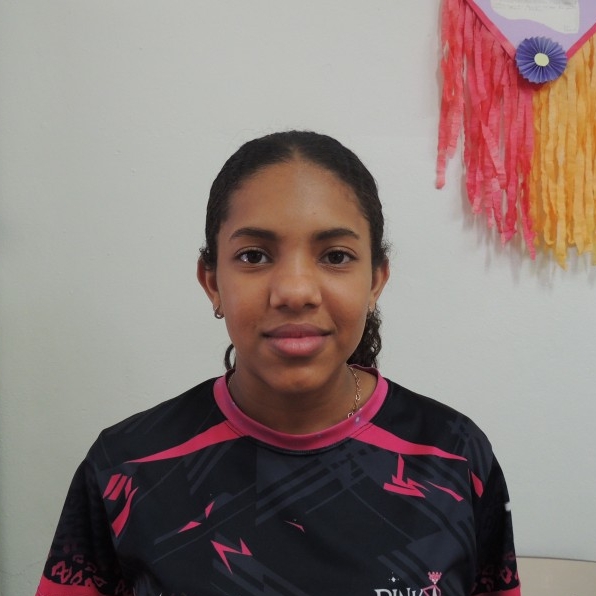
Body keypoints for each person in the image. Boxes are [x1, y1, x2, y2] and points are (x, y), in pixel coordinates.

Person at [36, 131, 521, 596]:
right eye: (254, 256)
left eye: (335, 256)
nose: (295, 291)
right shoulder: (126, 467)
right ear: (212, 282)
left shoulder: (454, 457)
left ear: (376, 280)